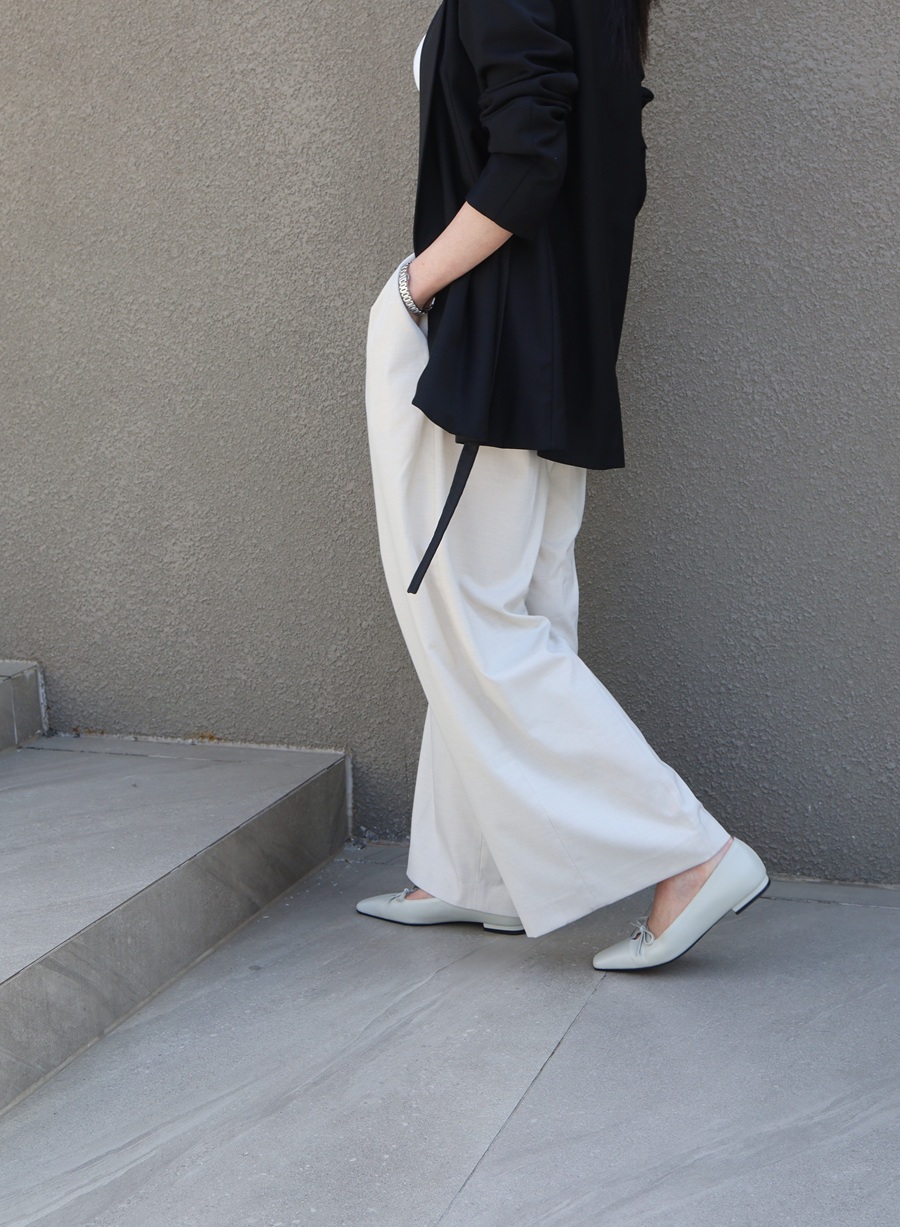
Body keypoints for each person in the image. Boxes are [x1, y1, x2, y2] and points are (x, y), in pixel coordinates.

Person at [358, 0, 769, 970]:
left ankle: (691, 851)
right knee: (512, 615)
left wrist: (415, 286)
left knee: (476, 622)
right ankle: (481, 873)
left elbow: (529, 162)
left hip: (489, 355)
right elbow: (611, 171)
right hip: (548, 357)